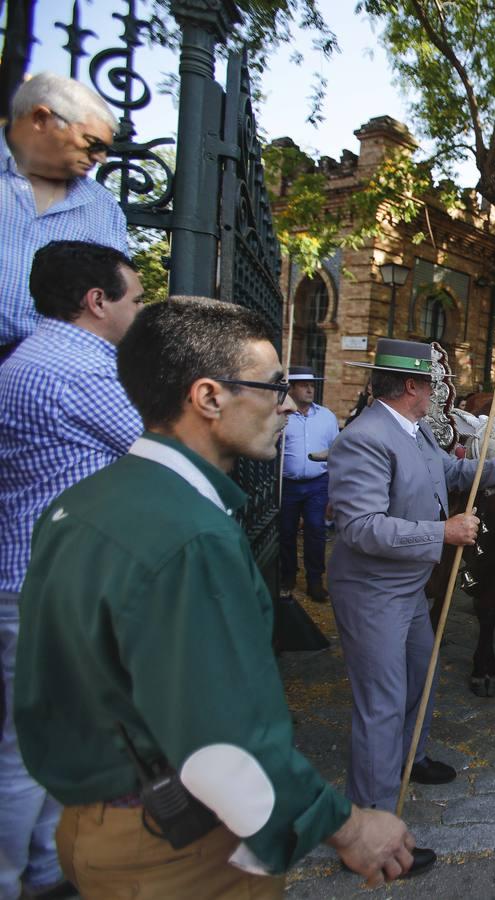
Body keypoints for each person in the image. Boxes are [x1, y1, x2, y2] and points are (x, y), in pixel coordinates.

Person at [13, 297, 418, 894]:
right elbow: (223, 742)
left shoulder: (89, 500)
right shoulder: (189, 535)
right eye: (272, 386)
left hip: (92, 824)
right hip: (176, 845)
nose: (286, 404)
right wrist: (349, 827)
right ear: (208, 397)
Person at [326, 339, 495, 824]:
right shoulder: (365, 439)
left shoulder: (416, 430)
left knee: (419, 682)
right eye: (432, 382)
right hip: (372, 592)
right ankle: (372, 823)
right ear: (412, 385)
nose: (438, 391)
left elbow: (450, 472)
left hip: (408, 587)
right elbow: (358, 526)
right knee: (380, 705)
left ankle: (411, 758)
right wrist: (442, 532)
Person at [0, 241, 144, 900]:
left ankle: (45, 871)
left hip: (40, 577)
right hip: (50, 585)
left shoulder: (35, 357)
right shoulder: (80, 370)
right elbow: (162, 450)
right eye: (135, 299)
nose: (139, 312)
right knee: (30, 755)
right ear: (97, 301)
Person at [2, 74, 127, 361]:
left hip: (50, 370)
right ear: (41, 119)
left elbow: (115, 297)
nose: (100, 158)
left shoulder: (102, 208)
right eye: (92, 142)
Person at [280, 364, 339, 602]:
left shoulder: (326, 416)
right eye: (304, 385)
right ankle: (288, 575)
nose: (310, 389)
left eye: (312, 385)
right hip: (288, 485)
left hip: (318, 483)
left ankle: (315, 580)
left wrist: (334, 490)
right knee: (286, 531)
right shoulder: (282, 416)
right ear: (291, 388)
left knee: (316, 529)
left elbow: (337, 453)